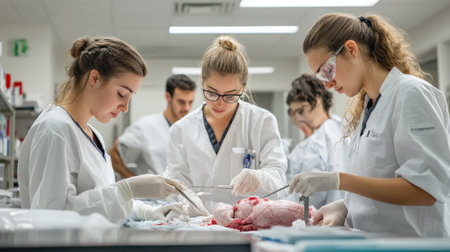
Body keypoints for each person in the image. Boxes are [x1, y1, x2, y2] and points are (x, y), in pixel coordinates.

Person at [289, 13, 450, 237]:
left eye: (328, 70)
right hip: (375, 240)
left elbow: (424, 190)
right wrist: (344, 208)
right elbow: (380, 183)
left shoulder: (410, 94)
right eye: (322, 77)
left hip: (413, 244)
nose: (328, 84)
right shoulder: (368, 106)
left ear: (351, 49)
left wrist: (339, 181)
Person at [18, 36, 187, 224]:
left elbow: (99, 201)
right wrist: (127, 189)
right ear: (95, 78)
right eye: (122, 94)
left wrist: (146, 211)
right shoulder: (55, 129)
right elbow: (52, 216)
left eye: (130, 97)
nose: (125, 107)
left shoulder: (92, 133)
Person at [163, 36, 287, 215]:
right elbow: (175, 177)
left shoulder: (262, 121)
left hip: (245, 222)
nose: (220, 103)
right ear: (202, 82)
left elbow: (279, 177)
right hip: (198, 221)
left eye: (230, 95)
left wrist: (259, 177)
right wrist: (185, 197)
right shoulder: (181, 129)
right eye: (212, 93)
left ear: (243, 88)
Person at [109, 74, 196, 178]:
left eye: (190, 102)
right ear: (168, 97)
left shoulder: (192, 130)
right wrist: (135, 183)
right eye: (181, 102)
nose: (186, 108)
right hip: (153, 194)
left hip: (183, 193)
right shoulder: (144, 127)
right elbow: (113, 155)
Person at [284, 74, 345, 208]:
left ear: (317, 99)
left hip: (322, 218)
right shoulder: (345, 126)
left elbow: (311, 195)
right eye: (295, 113)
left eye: (301, 111)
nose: (299, 118)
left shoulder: (317, 142)